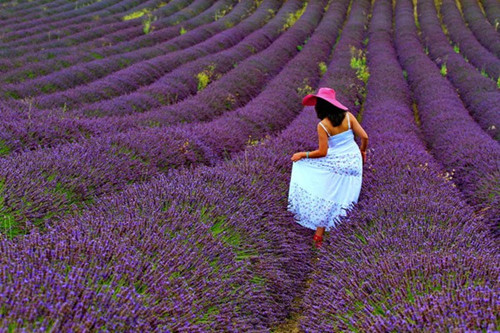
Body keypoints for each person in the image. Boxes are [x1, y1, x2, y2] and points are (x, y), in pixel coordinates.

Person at [287, 87, 368, 248]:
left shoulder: (323, 125)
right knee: (345, 197)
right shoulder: (348, 116)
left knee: (326, 192)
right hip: (353, 162)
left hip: (336, 162)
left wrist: (303, 155)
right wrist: (362, 151)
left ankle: (319, 237)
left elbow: (322, 153)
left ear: (321, 107)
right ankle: (342, 236)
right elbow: (364, 136)